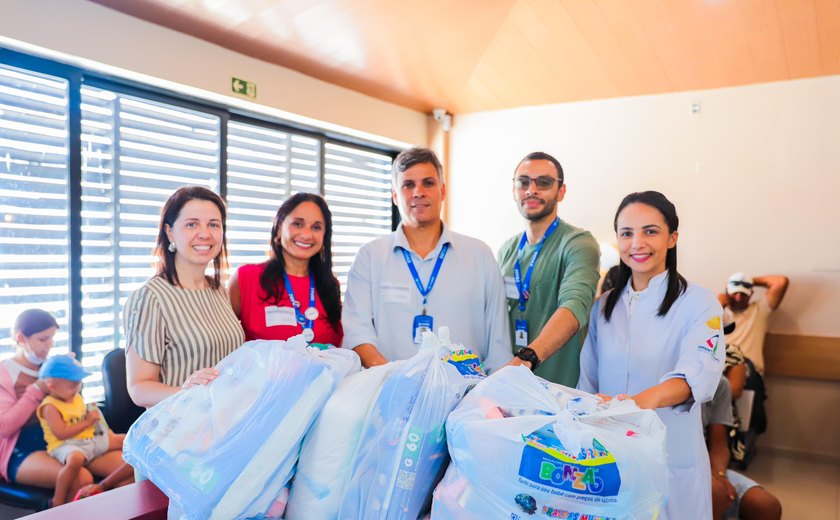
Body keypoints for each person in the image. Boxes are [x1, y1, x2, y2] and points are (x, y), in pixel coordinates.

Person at [578, 191, 725, 519]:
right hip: (609, 454)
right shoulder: (603, 308)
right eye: (626, 234)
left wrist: (631, 404)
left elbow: (694, 377)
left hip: (673, 456)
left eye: (650, 231)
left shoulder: (699, 304)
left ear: (672, 238)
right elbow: (587, 382)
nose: (637, 243)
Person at [343, 147, 510, 370]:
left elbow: (498, 345)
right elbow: (357, 331)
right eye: (408, 185)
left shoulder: (480, 255)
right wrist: (394, 380)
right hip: (390, 393)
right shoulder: (370, 256)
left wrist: (489, 399)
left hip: (466, 396)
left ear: (442, 191)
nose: (418, 192)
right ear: (395, 195)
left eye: (428, 183)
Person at [124, 186, 245, 409]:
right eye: (192, 224)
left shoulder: (218, 290)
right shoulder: (150, 298)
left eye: (213, 224)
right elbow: (139, 388)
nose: (205, 233)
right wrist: (186, 392)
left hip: (223, 421)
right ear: (170, 232)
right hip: (177, 429)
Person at [497, 152, 600, 387]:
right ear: (514, 191)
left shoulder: (578, 244)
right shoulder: (507, 250)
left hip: (560, 390)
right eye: (523, 182)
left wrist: (529, 357)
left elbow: (575, 305)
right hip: (512, 385)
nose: (531, 190)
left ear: (561, 192)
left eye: (543, 182)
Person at [1, 310, 92, 503]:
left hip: (61, 439)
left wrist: (71, 380)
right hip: (20, 449)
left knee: (120, 463)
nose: (49, 345)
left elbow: (72, 407)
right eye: (43, 339)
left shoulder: (52, 367)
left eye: (51, 339)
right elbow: (5, 427)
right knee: (81, 479)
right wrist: (37, 389)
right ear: (21, 338)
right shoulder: (5, 372)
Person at [229, 193, 343, 346]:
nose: (307, 234)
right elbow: (222, 339)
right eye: (297, 224)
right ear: (279, 229)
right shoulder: (247, 278)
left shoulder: (329, 286)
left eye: (316, 227)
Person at [36, 355, 127, 505]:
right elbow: (61, 433)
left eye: (79, 384)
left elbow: (86, 419)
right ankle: (58, 499)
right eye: (72, 385)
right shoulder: (49, 407)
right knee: (75, 460)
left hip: (89, 440)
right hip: (66, 445)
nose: (77, 388)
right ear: (52, 386)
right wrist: (87, 421)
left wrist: (94, 417)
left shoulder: (76, 397)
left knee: (125, 440)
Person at [704, 377, 782, 520]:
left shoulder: (719, 384)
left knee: (766, 506)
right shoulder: (662, 386)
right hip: (671, 467)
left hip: (706, 463)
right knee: (715, 495)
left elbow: (719, 445)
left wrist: (720, 476)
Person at [718, 272, 789, 376]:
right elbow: (701, 336)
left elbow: (781, 282)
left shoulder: (759, 310)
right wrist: (718, 306)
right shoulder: (718, 313)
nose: (738, 298)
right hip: (721, 368)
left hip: (749, 370)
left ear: (751, 294)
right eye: (735, 293)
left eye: (743, 294)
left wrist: (749, 281)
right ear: (726, 292)